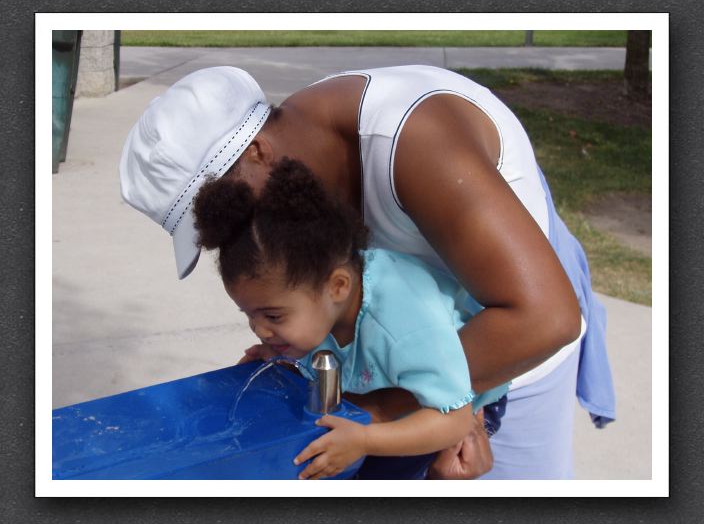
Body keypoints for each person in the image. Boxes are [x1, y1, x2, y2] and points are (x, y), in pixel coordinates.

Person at [119, 64, 615, 479]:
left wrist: (386, 410)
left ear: (257, 151)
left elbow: (543, 319)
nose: (236, 235)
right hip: (426, 362)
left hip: (516, 337)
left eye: (229, 210)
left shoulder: (416, 141)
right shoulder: (296, 157)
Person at [192, 158, 509, 479]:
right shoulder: (324, 301)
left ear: (338, 286)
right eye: (249, 315)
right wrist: (283, 355)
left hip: (448, 409)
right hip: (389, 390)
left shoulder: (403, 324)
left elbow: (453, 418)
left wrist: (364, 440)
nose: (260, 329)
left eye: (273, 315)